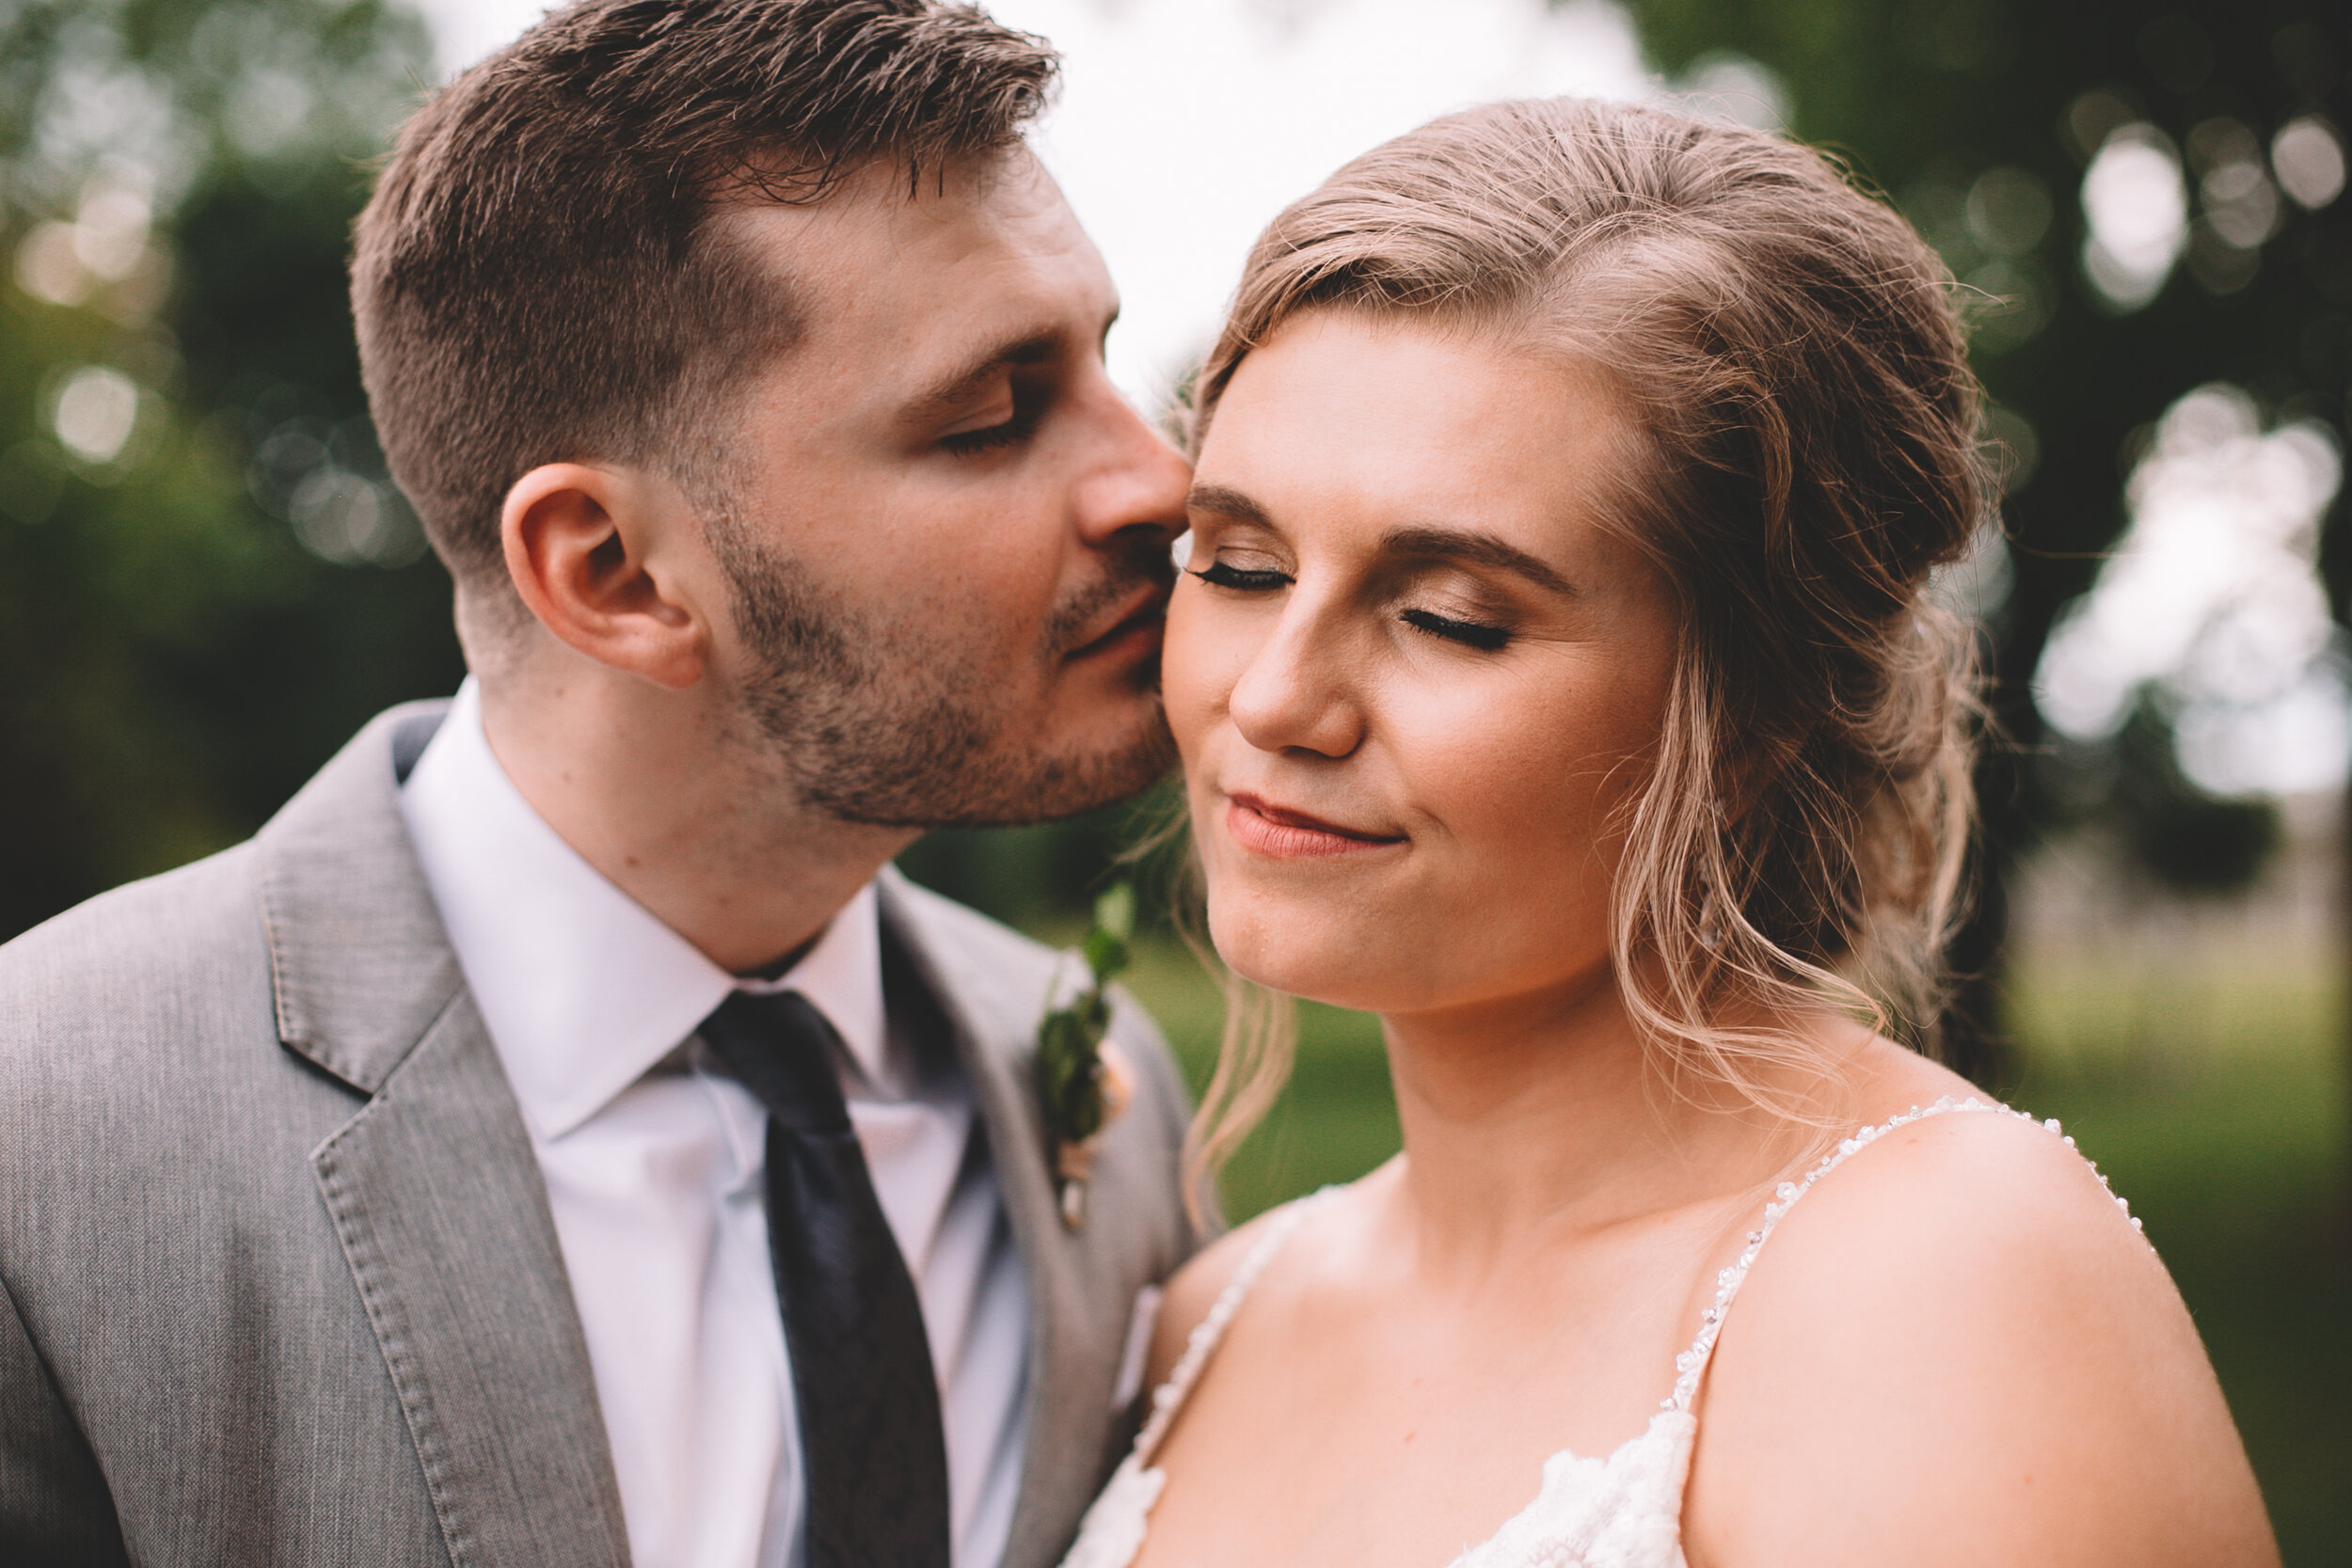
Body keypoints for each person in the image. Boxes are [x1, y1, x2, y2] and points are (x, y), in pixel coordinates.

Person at [0, 4, 1206, 1567]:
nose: (1161, 482)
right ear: (615, 573)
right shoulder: (47, 1140)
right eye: (991, 416)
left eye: (1106, 360)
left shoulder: (1108, 1084)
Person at [1061, 98, 2280, 1568]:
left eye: (1450, 617)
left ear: (1757, 705)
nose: (1274, 698)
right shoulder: (1214, 1315)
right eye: (1239, 563)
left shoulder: (1941, 1286)